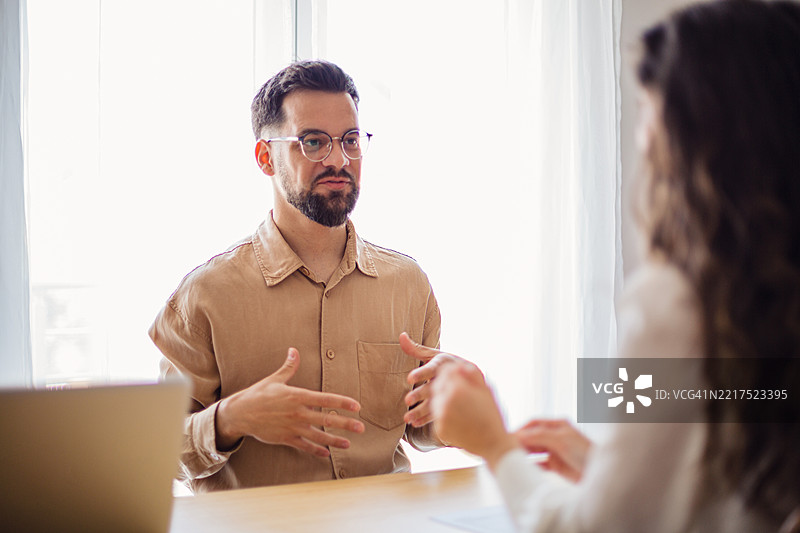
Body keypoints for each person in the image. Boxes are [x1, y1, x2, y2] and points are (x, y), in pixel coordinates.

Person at [402, 1, 800, 531]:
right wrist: (610, 469)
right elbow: (735, 495)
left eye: (648, 113)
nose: (642, 138)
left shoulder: (674, 304)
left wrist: (496, 446)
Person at [149, 60, 443, 492]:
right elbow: (158, 450)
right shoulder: (203, 297)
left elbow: (423, 429)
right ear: (266, 157)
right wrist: (230, 419)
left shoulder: (410, 286)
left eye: (350, 140)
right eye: (313, 142)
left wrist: (456, 408)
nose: (339, 159)